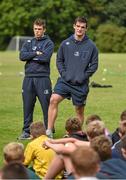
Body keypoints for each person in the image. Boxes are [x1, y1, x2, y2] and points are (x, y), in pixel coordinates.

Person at [46, 16, 98, 138]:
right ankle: (49, 131)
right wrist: (64, 74)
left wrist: (84, 77)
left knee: (79, 110)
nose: (80, 29)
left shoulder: (91, 46)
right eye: (78, 26)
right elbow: (59, 60)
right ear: (74, 26)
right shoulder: (65, 43)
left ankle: (75, 135)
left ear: (86, 29)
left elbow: (94, 65)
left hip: (81, 84)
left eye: (83, 27)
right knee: (53, 99)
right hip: (65, 81)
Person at [18, 18, 54, 140]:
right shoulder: (28, 42)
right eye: (35, 29)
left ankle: (49, 130)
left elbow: (45, 58)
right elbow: (22, 56)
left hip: (42, 78)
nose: (37, 31)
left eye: (39, 29)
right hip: (28, 78)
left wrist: (33, 56)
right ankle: (26, 131)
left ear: (44, 29)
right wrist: (36, 53)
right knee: (27, 106)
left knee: (46, 105)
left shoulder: (49, 43)